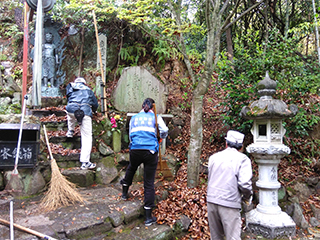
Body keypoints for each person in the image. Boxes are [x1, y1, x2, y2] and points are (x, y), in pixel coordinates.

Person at [120, 98, 168, 226]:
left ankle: (124, 193)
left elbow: (131, 134)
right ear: (153, 107)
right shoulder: (156, 117)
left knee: (131, 168)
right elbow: (165, 130)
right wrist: (160, 139)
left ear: (142, 106)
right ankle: (148, 217)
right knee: (148, 182)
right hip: (150, 151)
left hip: (135, 149)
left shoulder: (134, 118)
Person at [207, 130, 253, 240]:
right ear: (241, 147)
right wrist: (247, 197)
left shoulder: (214, 157)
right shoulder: (243, 159)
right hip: (230, 202)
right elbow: (245, 183)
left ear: (226, 143)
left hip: (212, 200)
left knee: (216, 236)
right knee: (233, 237)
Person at [66, 77, 99, 170]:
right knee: (87, 136)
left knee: (70, 114)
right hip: (85, 112)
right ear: (84, 83)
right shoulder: (89, 90)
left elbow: (68, 98)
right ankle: (85, 162)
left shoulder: (71, 86)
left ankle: (70, 130)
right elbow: (95, 104)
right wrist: (94, 111)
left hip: (71, 109)